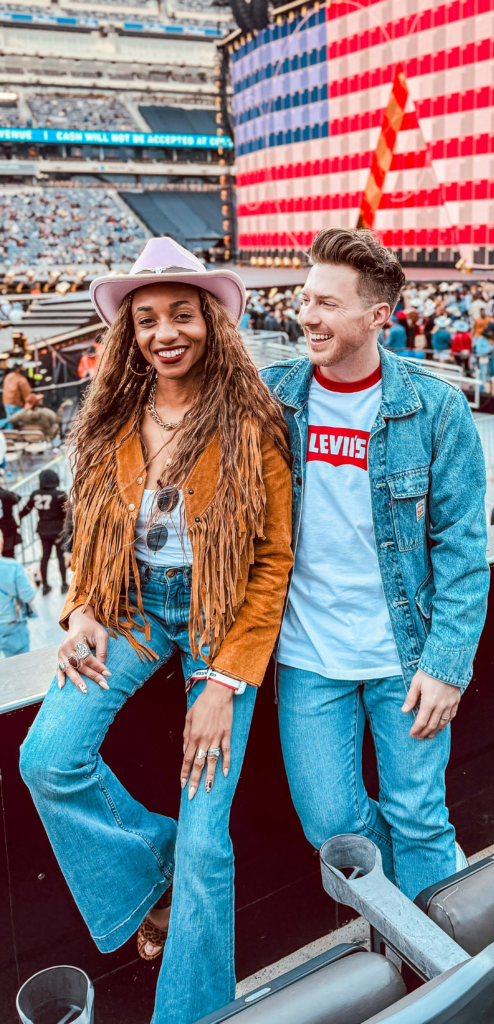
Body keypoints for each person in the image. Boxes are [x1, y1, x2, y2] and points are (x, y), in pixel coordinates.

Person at [19, 237, 294, 1024]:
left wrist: (223, 682)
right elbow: (93, 539)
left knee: (210, 844)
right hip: (134, 611)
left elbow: (271, 564)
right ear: (129, 333)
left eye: (181, 314)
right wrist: (81, 612)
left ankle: (194, 1014)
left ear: (210, 320)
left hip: (219, 619)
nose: (164, 332)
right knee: (49, 757)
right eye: (146, 320)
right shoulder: (112, 420)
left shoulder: (250, 422)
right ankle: (154, 864)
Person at [261, 227, 489, 901]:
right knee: (332, 830)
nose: (307, 315)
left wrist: (446, 665)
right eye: (305, 299)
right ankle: (411, 916)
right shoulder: (272, 397)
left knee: (418, 816)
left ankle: (441, 971)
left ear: (376, 316)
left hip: (406, 657)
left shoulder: (436, 408)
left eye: (327, 303)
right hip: (308, 658)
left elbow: (462, 549)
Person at [19, 468, 68, 595]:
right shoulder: (60, 495)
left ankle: (45, 585)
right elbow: (68, 514)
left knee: (45, 557)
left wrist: (18, 518)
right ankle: (63, 584)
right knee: (60, 557)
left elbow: (26, 509)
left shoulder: (36, 494)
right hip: (58, 531)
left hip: (43, 530)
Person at [0, 528, 35, 656]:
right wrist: (31, 580)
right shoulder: (13, 567)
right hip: (10, 627)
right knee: (19, 669)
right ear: (1, 543)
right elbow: (28, 596)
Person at [0, 478, 21, 556]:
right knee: (9, 554)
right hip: (7, 529)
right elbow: (17, 498)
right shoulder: (6, 494)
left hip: (6, 529)